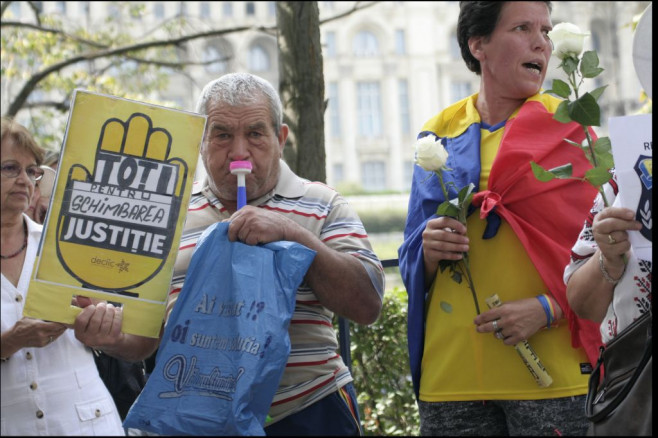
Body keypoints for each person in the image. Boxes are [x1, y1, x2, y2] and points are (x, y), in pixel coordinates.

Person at [74, 72, 385, 435]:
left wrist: (292, 234)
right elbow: (147, 340)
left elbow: (367, 305)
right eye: (222, 134)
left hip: (309, 408)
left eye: (255, 133)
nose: (239, 151)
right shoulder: (166, 215)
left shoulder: (322, 203)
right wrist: (110, 338)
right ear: (200, 142)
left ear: (280, 138)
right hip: (200, 419)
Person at [398, 2, 604, 435]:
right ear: (478, 45)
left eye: (546, 32)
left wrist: (548, 309)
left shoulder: (574, 129)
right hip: (452, 374)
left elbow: (610, 255)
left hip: (554, 374)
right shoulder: (439, 132)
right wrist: (428, 249)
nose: (540, 43)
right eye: (522, 28)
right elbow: (411, 254)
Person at [0, 117, 125, 436]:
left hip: (87, 423)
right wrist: (11, 340)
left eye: (32, 171)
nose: (25, 181)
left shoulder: (65, 245)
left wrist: (99, 319)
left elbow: (118, 331)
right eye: (10, 168)